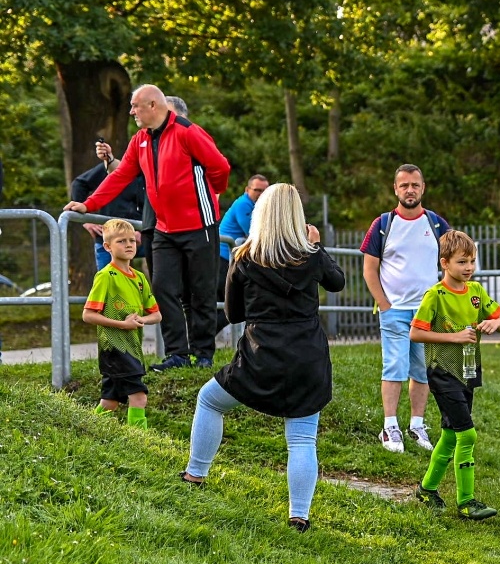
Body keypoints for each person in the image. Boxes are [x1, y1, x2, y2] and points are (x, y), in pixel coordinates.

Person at [180, 184, 344, 532]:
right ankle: (299, 516)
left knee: (209, 400)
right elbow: (337, 282)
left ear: (261, 215)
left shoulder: (243, 257)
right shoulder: (311, 255)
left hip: (260, 356)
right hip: (308, 358)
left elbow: (234, 314)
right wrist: (317, 246)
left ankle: (195, 474)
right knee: (302, 439)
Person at [70, 83, 231, 372]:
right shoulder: (140, 139)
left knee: (201, 291)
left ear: (153, 105)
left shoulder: (187, 132)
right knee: (163, 289)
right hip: (164, 229)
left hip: (199, 226)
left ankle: (203, 354)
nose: (131, 111)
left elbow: (220, 168)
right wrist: (89, 204)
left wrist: (209, 196)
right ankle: (178, 354)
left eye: (135, 106)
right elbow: (121, 175)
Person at [409, 231, 500, 520]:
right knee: (468, 434)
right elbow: (415, 333)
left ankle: (427, 489)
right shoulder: (435, 296)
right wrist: (454, 337)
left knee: (451, 435)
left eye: (472, 261)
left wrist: (496, 324)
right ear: (445, 263)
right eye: (462, 262)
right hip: (442, 372)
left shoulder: (476, 291)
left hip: (468, 371)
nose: (469, 267)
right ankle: (466, 502)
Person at [362, 164, 447, 453]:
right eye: (404, 185)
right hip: (395, 311)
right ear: (395, 189)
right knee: (394, 367)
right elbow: (369, 269)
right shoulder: (383, 224)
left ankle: (417, 426)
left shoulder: (436, 224)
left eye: (415, 185)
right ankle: (389, 427)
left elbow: (452, 261)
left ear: (423, 188)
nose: (410, 190)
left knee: (422, 371)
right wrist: (385, 304)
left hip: (427, 314)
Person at [81, 219, 161, 426]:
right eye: (121, 241)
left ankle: (87, 428)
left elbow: (156, 315)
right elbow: (88, 315)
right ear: (107, 246)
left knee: (110, 402)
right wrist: (122, 325)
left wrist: (141, 319)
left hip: (133, 348)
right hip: (115, 349)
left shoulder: (140, 278)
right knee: (139, 397)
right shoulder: (105, 276)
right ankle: (140, 440)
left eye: (132, 241)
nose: (128, 245)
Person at [71, 139, 149, 269]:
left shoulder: (153, 173)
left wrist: (144, 231)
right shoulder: (110, 169)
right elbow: (79, 184)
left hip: (142, 236)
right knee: (109, 278)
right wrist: (86, 219)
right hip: (109, 237)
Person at [216, 174, 270, 332]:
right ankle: (201, 338)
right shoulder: (244, 204)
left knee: (228, 305)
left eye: (265, 191)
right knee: (234, 304)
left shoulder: (256, 207)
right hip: (223, 259)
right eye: (257, 190)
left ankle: (201, 339)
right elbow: (254, 233)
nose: (261, 194)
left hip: (230, 259)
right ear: (247, 190)